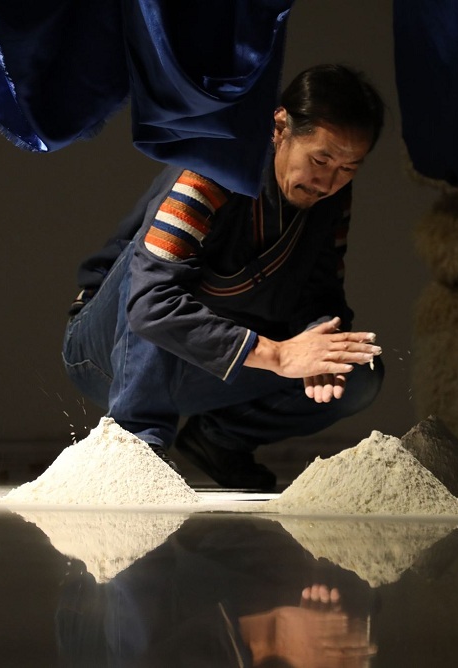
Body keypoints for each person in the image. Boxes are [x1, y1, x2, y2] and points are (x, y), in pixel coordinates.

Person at [62, 64, 386, 490]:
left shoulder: (330, 198)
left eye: (348, 169)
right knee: (155, 279)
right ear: (280, 128)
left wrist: (318, 339)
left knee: (356, 372)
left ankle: (219, 440)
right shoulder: (211, 168)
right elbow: (150, 304)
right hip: (107, 354)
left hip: (207, 363)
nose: (327, 181)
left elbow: (320, 294)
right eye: (320, 159)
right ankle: (137, 447)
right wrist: (278, 356)